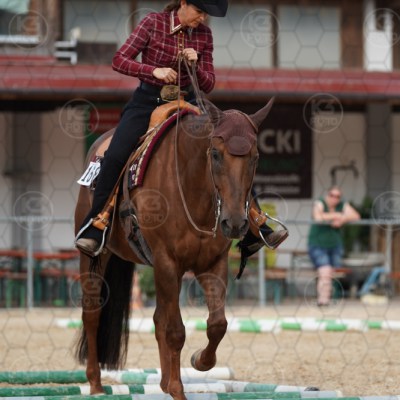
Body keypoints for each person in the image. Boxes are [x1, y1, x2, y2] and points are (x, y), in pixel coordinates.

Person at [75, 0, 288, 258]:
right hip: (147, 102)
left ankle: (257, 221)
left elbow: (208, 84)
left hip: (189, 103)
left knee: (229, 149)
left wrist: (196, 65)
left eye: (206, 14)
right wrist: (153, 70)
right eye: (199, 12)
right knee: (116, 154)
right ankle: (96, 223)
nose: (202, 19)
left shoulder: (204, 35)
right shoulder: (152, 23)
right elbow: (119, 60)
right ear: (183, 3)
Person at [308, 186, 360, 306]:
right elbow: (318, 217)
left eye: (338, 196)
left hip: (335, 246)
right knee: (325, 271)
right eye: (332, 195)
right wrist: (337, 215)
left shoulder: (342, 205)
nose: (334, 198)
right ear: (327, 195)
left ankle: (331, 299)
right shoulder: (320, 203)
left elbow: (356, 216)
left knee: (334, 273)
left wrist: (343, 219)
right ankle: (323, 301)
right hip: (318, 245)